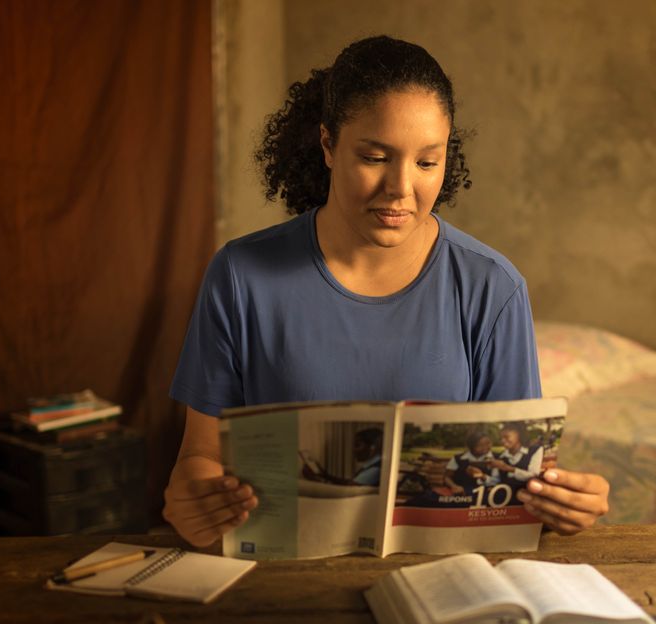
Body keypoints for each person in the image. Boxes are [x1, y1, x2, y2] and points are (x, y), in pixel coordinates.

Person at [163, 35, 609, 547]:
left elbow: (511, 483)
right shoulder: (241, 276)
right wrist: (194, 497)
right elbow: (199, 457)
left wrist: (560, 503)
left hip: (442, 588)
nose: (400, 188)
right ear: (328, 145)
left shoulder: (493, 288)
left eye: (426, 162)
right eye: (376, 157)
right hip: (278, 579)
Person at [492, 422, 544, 503]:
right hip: (504, 501)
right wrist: (482, 476)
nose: (502, 441)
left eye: (506, 437)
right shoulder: (500, 457)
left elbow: (533, 475)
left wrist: (508, 469)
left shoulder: (535, 451)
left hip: (528, 501)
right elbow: (495, 480)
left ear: (518, 435)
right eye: (501, 438)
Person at [444, 431, 498, 495]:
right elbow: (447, 477)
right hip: (463, 494)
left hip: (486, 494)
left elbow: (498, 481)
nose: (485, 447)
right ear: (472, 446)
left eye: (488, 443)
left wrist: (482, 476)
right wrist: (454, 486)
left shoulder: (496, 458)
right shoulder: (458, 459)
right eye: (480, 445)